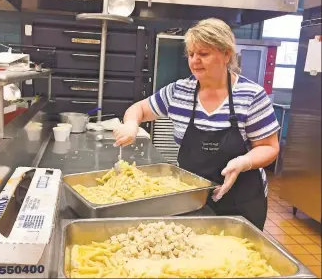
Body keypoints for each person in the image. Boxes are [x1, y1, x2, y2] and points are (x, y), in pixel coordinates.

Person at [113, 18, 280, 231]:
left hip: (242, 201)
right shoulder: (179, 91)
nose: (194, 61)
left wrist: (243, 162)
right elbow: (139, 109)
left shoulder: (251, 96)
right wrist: (130, 125)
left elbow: (269, 147)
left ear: (226, 54)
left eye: (203, 54)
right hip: (191, 198)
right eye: (191, 54)